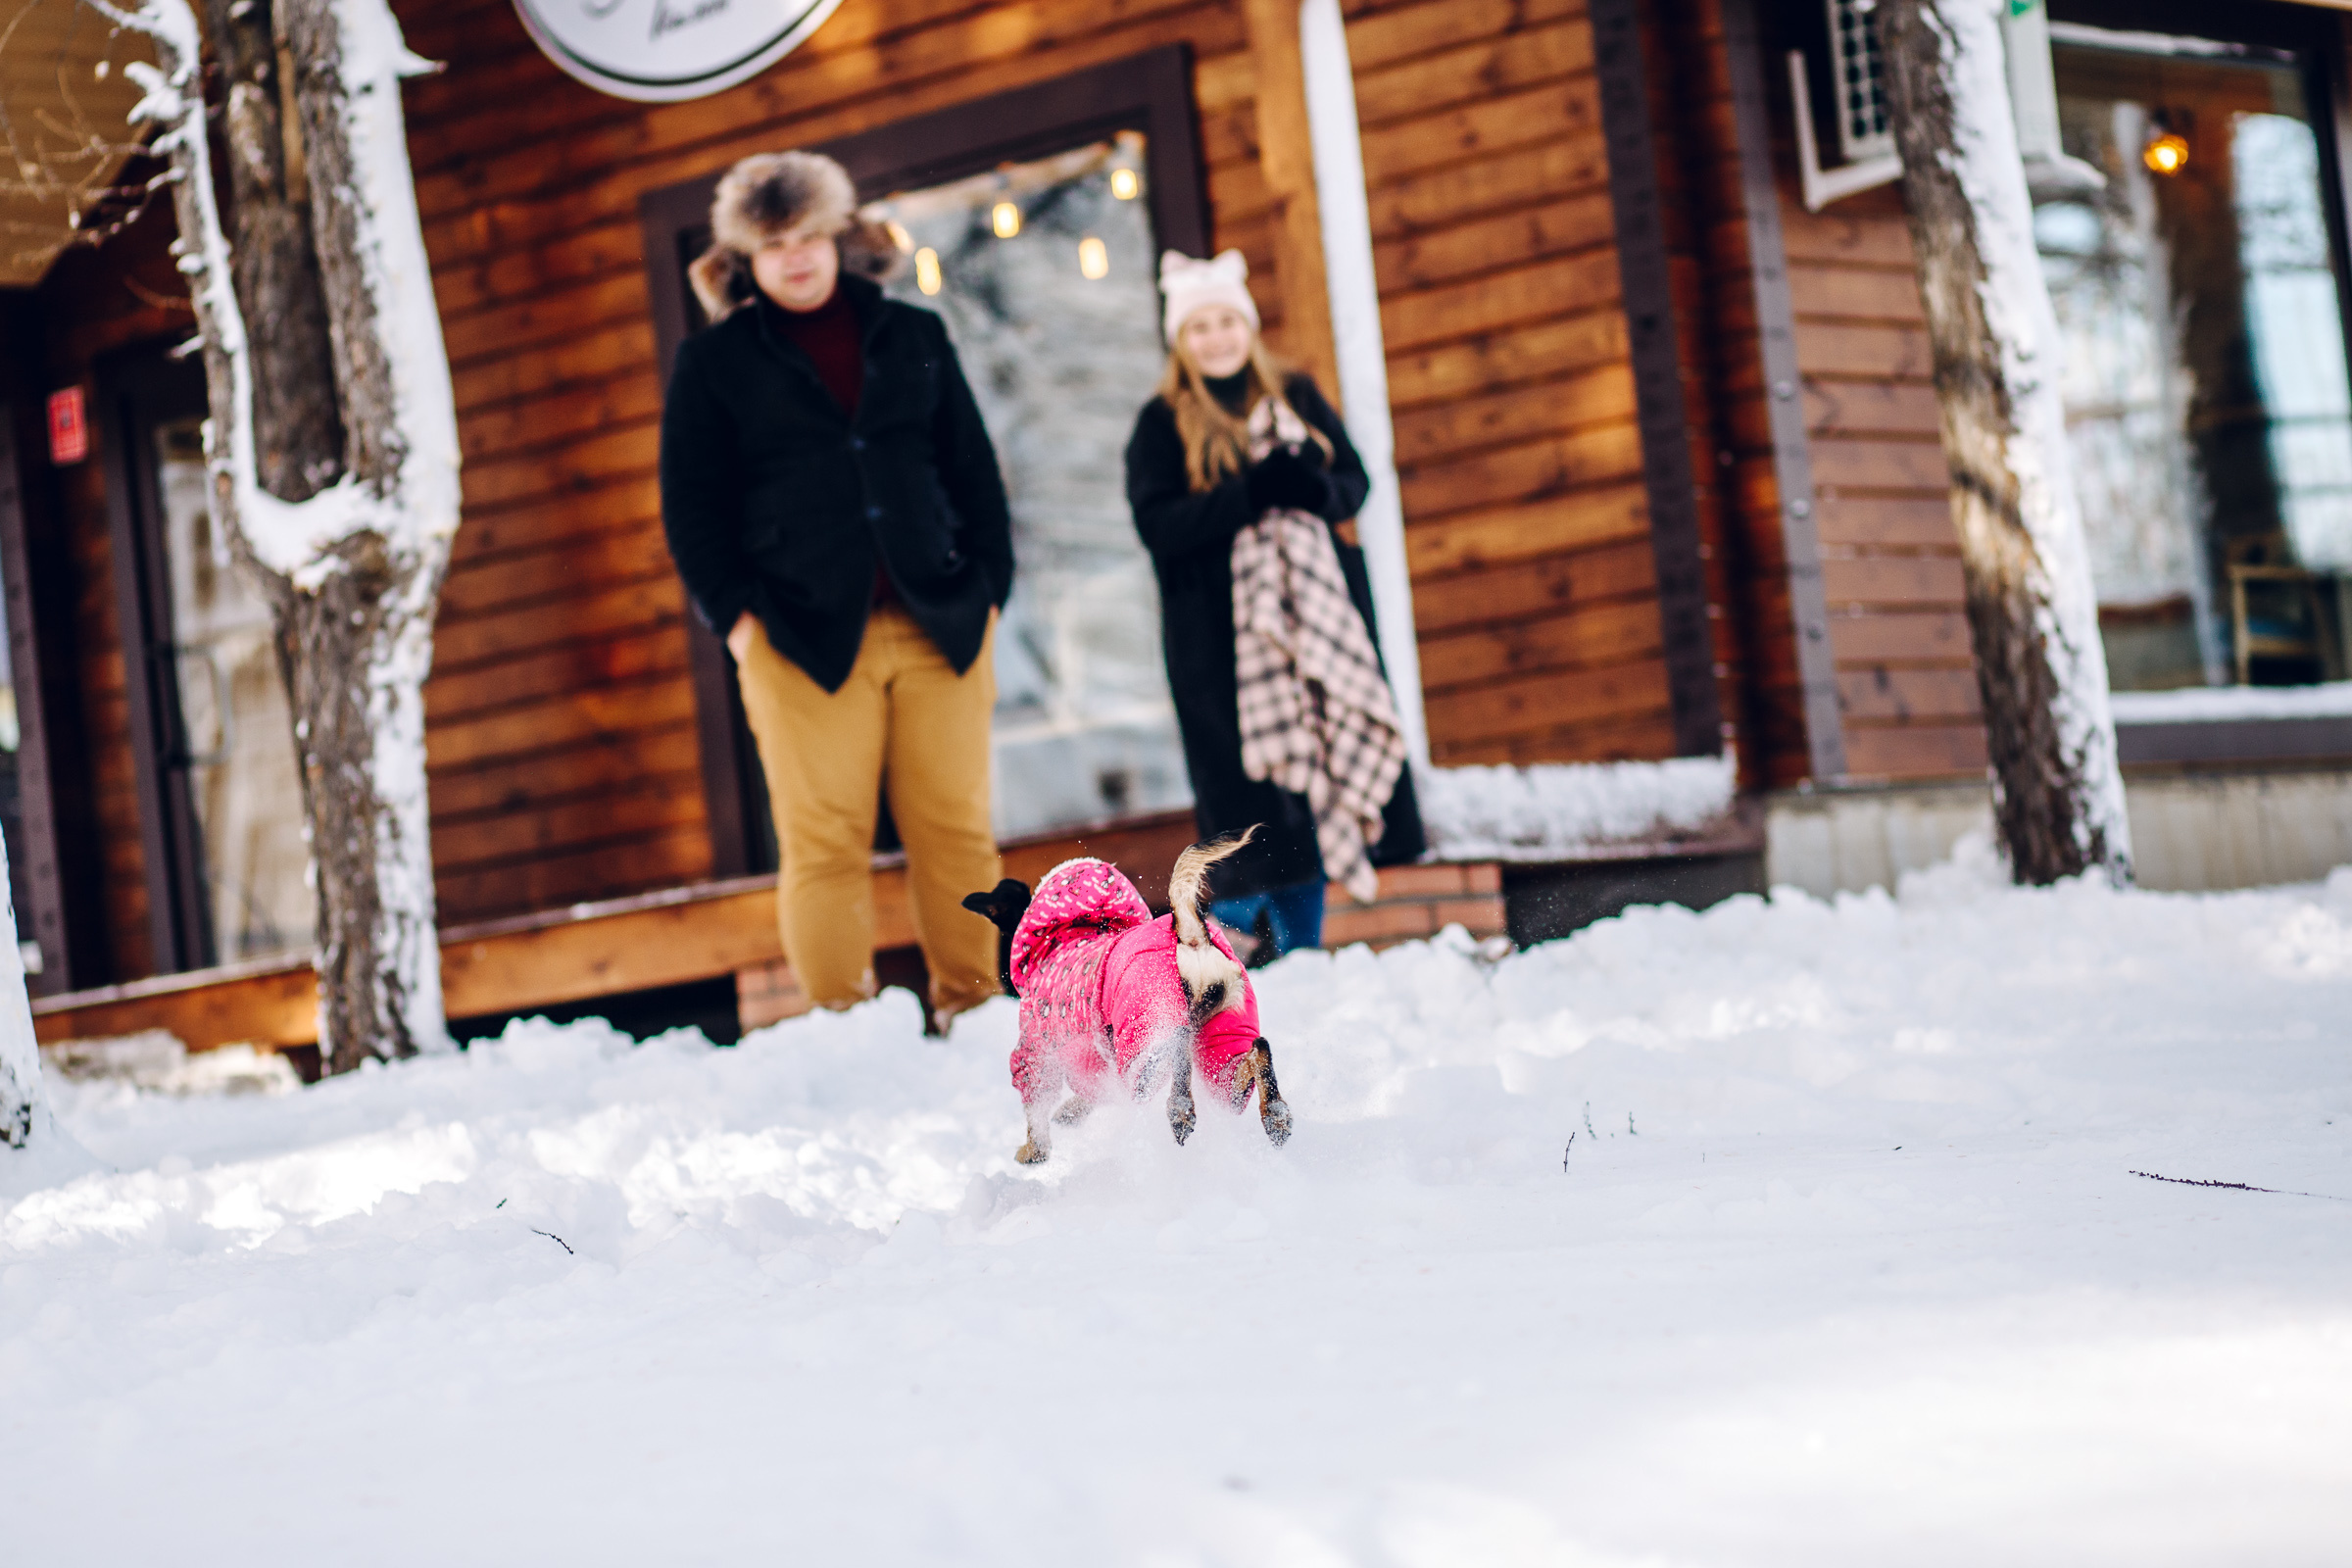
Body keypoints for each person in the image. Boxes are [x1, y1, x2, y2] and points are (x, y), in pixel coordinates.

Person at [659, 151, 1012, 1027]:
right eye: (776, 244)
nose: (798, 258)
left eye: (810, 236)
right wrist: (738, 623)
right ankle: (846, 1029)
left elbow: (973, 471)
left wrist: (990, 585)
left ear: (838, 238)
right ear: (749, 258)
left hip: (941, 621)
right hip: (799, 637)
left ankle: (976, 1015)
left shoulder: (912, 335)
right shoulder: (713, 365)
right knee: (824, 846)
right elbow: (690, 507)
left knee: (957, 832)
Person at [1124, 249, 1424, 961]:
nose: (1217, 338)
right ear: (1180, 340)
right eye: (1200, 328)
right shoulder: (1161, 421)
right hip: (1217, 641)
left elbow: (1352, 484)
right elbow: (1156, 523)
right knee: (1240, 794)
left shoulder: (1295, 394)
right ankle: (1239, 954)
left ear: (1248, 325)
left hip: (1313, 624)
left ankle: (1306, 947)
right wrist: (1248, 496)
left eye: (1228, 321)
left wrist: (1309, 490)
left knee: (1310, 780)